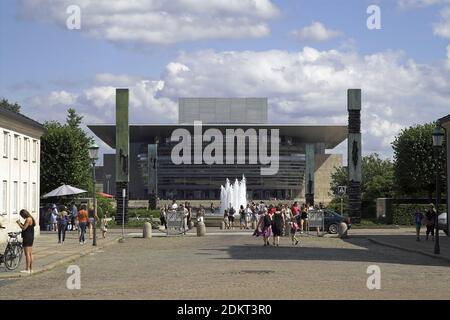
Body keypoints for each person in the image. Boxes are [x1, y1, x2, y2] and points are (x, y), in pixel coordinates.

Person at [16, 209, 35, 274]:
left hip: (27, 237)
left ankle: (27, 269)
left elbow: (24, 228)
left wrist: (18, 223)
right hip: (31, 237)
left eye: (22, 215)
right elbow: (26, 227)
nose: (22, 217)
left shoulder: (28, 219)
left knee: (27, 254)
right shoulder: (31, 218)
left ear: (24, 214)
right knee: (30, 254)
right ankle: (31, 269)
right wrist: (21, 223)